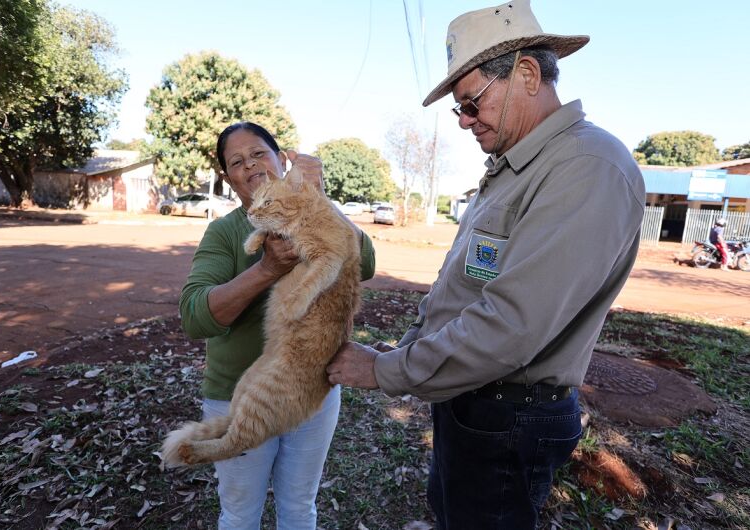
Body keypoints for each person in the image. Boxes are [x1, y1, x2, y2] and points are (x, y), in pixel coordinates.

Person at [326, 1, 645, 528]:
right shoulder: (515, 167)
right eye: (459, 110)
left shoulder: (586, 167)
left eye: (472, 103)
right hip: (473, 402)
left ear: (526, 73)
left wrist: (386, 371)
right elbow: (466, 289)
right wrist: (406, 349)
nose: (465, 123)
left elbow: (510, 325)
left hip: (510, 414)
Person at [179, 121, 376, 530]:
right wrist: (267, 269)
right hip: (242, 390)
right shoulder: (225, 231)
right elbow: (195, 316)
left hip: (311, 387)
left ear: (280, 159)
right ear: (228, 178)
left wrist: (318, 198)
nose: (250, 166)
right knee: (239, 513)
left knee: (300, 507)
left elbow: (367, 262)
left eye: (259, 154)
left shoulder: (312, 208)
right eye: (237, 162)